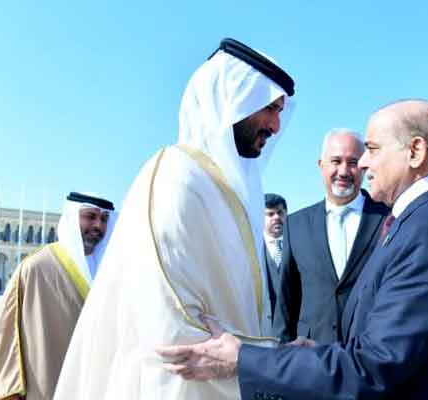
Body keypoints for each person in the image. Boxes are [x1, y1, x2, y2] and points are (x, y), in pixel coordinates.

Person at [158, 99, 428, 399]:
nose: (363, 164)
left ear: (415, 152)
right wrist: (314, 353)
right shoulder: (420, 222)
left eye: (373, 149)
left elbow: (373, 369)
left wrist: (240, 359)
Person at [52, 38, 295, 400]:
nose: (276, 125)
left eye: (280, 111)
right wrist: (271, 358)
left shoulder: (229, 190)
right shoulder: (178, 177)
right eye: (269, 109)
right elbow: (173, 318)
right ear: (234, 100)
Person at [0, 192, 116, 400]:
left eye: (104, 219)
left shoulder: (112, 270)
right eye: (90, 216)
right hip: (49, 386)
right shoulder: (37, 268)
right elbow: (8, 335)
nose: (98, 226)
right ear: (71, 218)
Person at [273, 128, 389, 344]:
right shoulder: (296, 225)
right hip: (310, 358)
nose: (344, 171)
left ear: (363, 166)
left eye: (353, 162)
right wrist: (281, 359)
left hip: (370, 354)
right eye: (336, 161)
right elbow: (286, 301)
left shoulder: (388, 218)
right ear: (321, 165)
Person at [263, 193, 289, 328]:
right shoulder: (254, 247)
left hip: (294, 327)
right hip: (264, 326)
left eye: (280, 212)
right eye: (270, 214)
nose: (277, 218)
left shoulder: (300, 243)